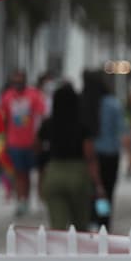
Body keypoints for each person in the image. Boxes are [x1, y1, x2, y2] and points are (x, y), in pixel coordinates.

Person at [36, 83, 102, 232]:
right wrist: (98, 184)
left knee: (57, 227)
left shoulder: (48, 124)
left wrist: (41, 178)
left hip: (53, 173)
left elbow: (37, 148)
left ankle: (58, 253)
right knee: (80, 226)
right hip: (78, 174)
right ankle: (78, 253)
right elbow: (90, 156)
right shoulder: (82, 125)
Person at [0, 70, 48, 217]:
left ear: (25, 81)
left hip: (32, 142)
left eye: (20, 81)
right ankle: (22, 201)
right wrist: (4, 140)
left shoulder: (34, 95)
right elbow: (4, 120)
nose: (18, 84)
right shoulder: (7, 97)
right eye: (15, 81)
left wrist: (39, 138)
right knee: (20, 174)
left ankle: (41, 200)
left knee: (40, 173)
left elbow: (42, 116)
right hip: (14, 142)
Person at [84, 71, 126, 229]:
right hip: (109, 154)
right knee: (106, 190)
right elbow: (121, 130)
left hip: (89, 154)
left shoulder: (84, 103)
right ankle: (103, 220)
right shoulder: (112, 103)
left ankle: (91, 218)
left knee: (93, 189)